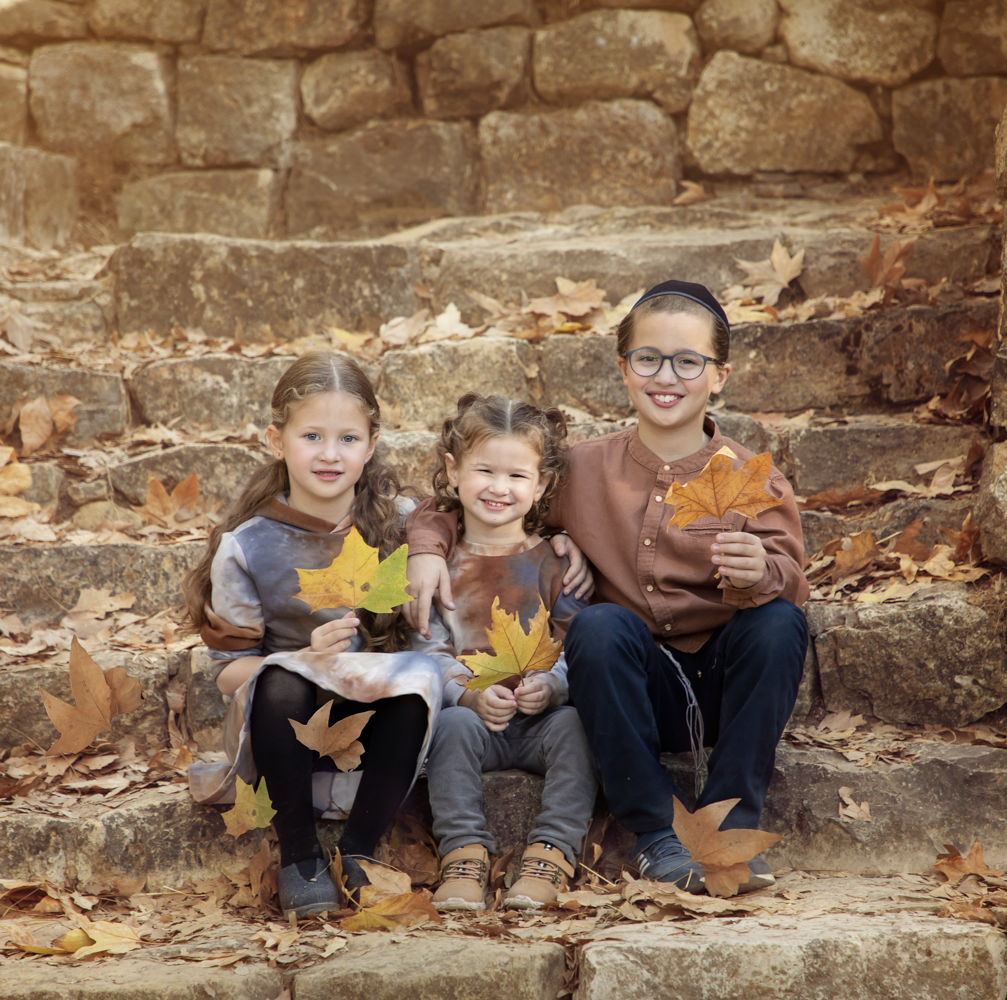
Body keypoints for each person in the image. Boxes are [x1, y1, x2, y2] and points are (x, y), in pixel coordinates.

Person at [404, 280, 809, 895]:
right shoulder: (582, 468)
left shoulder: (751, 477)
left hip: (726, 684)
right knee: (597, 624)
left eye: (688, 361)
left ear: (719, 375)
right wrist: (426, 549)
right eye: (648, 359)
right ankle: (655, 834)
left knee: (780, 622)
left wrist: (763, 572)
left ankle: (729, 830)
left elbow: (793, 579)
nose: (665, 376)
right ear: (623, 369)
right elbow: (469, 501)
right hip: (627, 685)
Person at [183, 351, 446, 919]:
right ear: (276, 441)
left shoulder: (406, 524)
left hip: (380, 723)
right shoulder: (247, 545)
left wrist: (431, 549)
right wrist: (302, 658)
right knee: (283, 680)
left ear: (371, 445)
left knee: (416, 679)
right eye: (312, 436)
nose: (330, 454)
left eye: (348, 438)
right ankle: (300, 857)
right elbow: (229, 674)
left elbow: (487, 515)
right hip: (283, 727)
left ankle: (359, 852)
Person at [410, 394, 597, 911]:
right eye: (484, 471)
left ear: (541, 484)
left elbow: (576, 642)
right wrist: (467, 695)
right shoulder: (436, 563)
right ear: (453, 471)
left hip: (543, 719)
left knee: (577, 728)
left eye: (517, 476)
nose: (498, 487)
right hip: (472, 718)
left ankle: (552, 852)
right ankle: (463, 852)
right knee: (451, 727)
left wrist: (553, 686)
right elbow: (426, 646)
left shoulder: (557, 563)